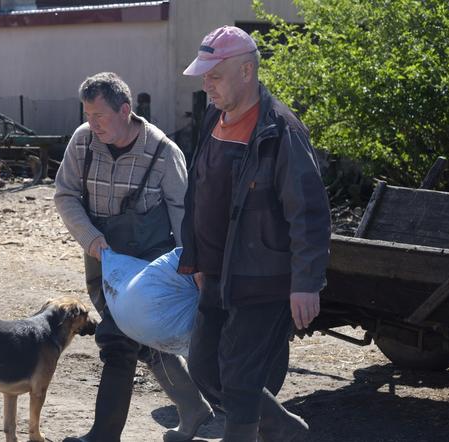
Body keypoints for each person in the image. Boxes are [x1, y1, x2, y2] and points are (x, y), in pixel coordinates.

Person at [179, 26, 331, 441]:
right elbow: (201, 191)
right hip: (215, 274)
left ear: (247, 71)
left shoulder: (282, 131)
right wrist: (193, 257)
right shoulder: (214, 116)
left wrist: (306, 283)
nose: (206, 85)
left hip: (263, 278)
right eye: (204, 76)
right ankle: (282, 426)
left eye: (214, 76)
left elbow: (310, 214)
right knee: (204, 369)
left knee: (241, 380)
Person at [54, 72, 213, 442]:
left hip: (149, 265)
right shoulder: (82, 143)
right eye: (87, 116)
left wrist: (192, 271)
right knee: (143, 337)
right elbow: (64, 195)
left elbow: (185, 216)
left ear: (125, 110)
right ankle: (192, 407)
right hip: (102, 256)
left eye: (100, 117)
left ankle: (103, 435)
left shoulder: (163, 153)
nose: (92, 125)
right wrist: (92, 239)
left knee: (117, 340)